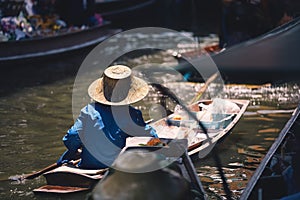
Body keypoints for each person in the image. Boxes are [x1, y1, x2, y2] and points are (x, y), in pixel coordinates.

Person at [57, 65, 158, 169]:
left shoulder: (88, 111)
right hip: (116, 169)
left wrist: (75, 150)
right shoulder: (133, 115)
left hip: (88, 166)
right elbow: (151, 138)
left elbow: (71, 137)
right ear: (129, 91)